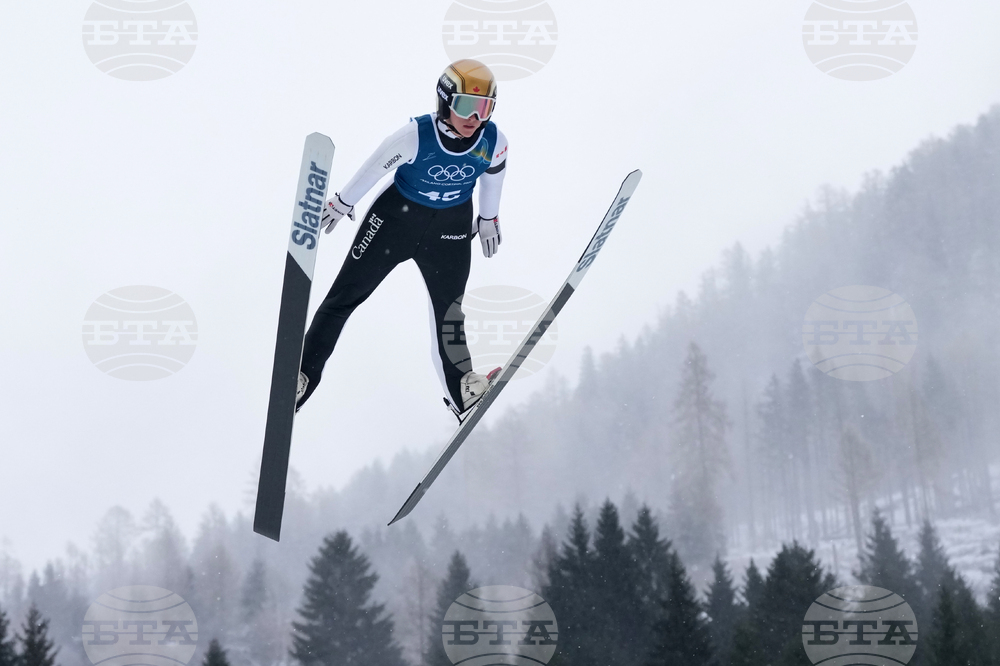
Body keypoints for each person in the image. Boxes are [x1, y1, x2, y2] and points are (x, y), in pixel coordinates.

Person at [295, 59, 509, 419]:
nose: (474, 118)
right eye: (465, 106)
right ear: (445, 101)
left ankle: (462, 390)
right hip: (394, 221)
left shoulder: (492, 140)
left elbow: (493, 178)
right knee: (343, 299)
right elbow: (375, 166)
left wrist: (488, 217)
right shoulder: (415, 135)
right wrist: (344, 201)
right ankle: (300, 377)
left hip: (450, 230)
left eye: (484, 108)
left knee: (450, 313)